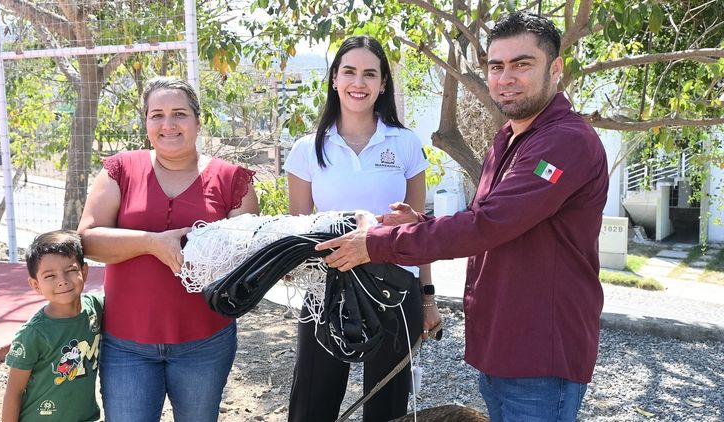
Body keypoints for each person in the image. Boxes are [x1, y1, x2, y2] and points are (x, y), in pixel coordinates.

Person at [315, 12, 609, 422]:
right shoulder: (509, 138)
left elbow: (487, 226)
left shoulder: (565, 142)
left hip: (541, 353)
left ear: (555, 69)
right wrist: (418, 225)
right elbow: (488, 218)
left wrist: (376, 243)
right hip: (502, 345)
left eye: (522, 64)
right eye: (496, 66)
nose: (506, 77)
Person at [77, 76, 259, 421]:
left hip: (205, 341)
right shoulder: (120, 171)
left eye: (179, 114)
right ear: (145, 121)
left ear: (198, 121)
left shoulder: (232, 180)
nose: (168, 124)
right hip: (127, 342)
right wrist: (152, 243)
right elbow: (87, 240)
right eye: (156, 115)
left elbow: (247, 258)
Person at [283, 35, 443, 422]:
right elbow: (299, 233)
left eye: (370, 73)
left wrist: (426, 297)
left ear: (383, 83)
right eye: (349, 71)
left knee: (387, 407)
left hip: (394, 288)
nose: (359, 82)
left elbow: (416, 235)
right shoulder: (307, 149)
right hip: (328, 289)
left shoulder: (405, 144)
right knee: (311, 404)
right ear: (334, 79)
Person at [2, 230, 104, 422]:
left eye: (71, 271)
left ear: (84, 271)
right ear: (35, 284)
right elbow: (14, 392)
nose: (62, 281)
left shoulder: (97, 308)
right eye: (50, 276)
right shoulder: (33, 334)